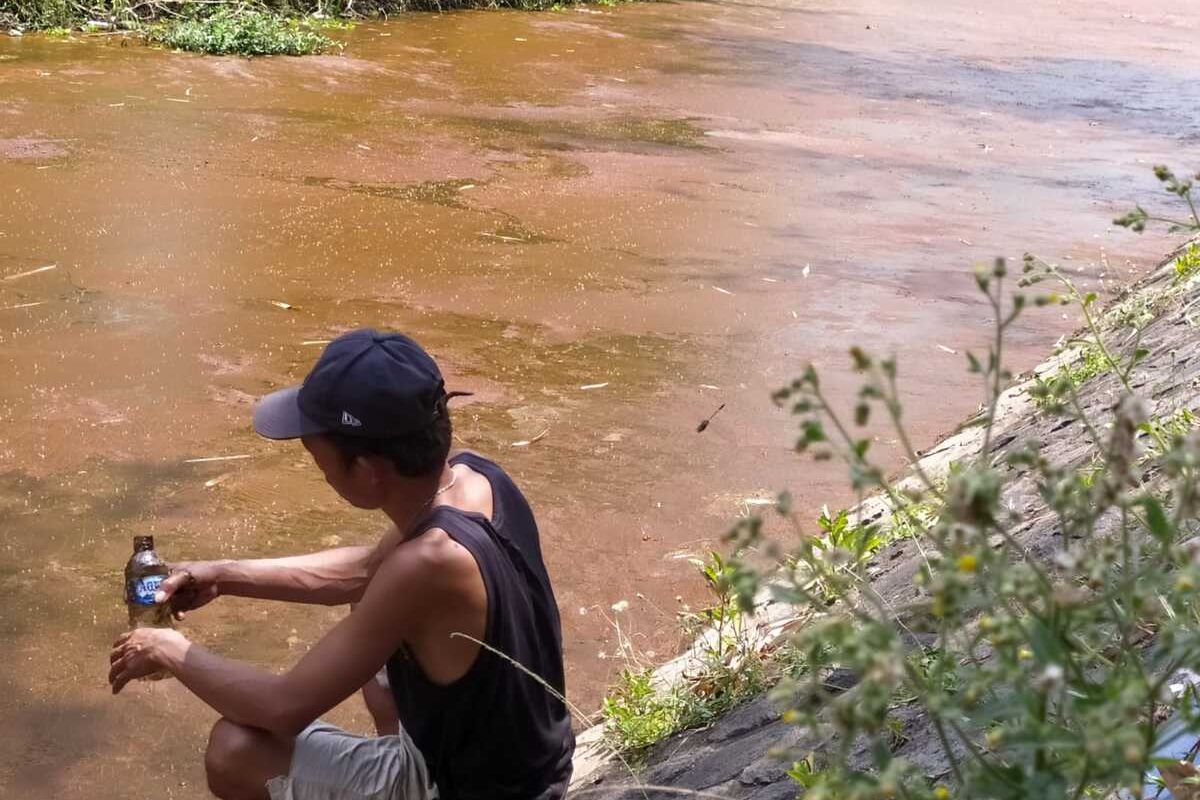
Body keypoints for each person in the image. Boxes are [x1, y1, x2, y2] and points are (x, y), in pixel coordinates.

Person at [108, 329, 575, 800]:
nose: (319, 470)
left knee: (234, 750)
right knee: (366, 607)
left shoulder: (426, 565)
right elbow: (365, 570)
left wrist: (167, 648)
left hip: (481, 792)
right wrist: (224, 575)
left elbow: (282, 706)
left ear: (368, 471)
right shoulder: (476, 476)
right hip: (530, 763)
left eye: (317, 455)